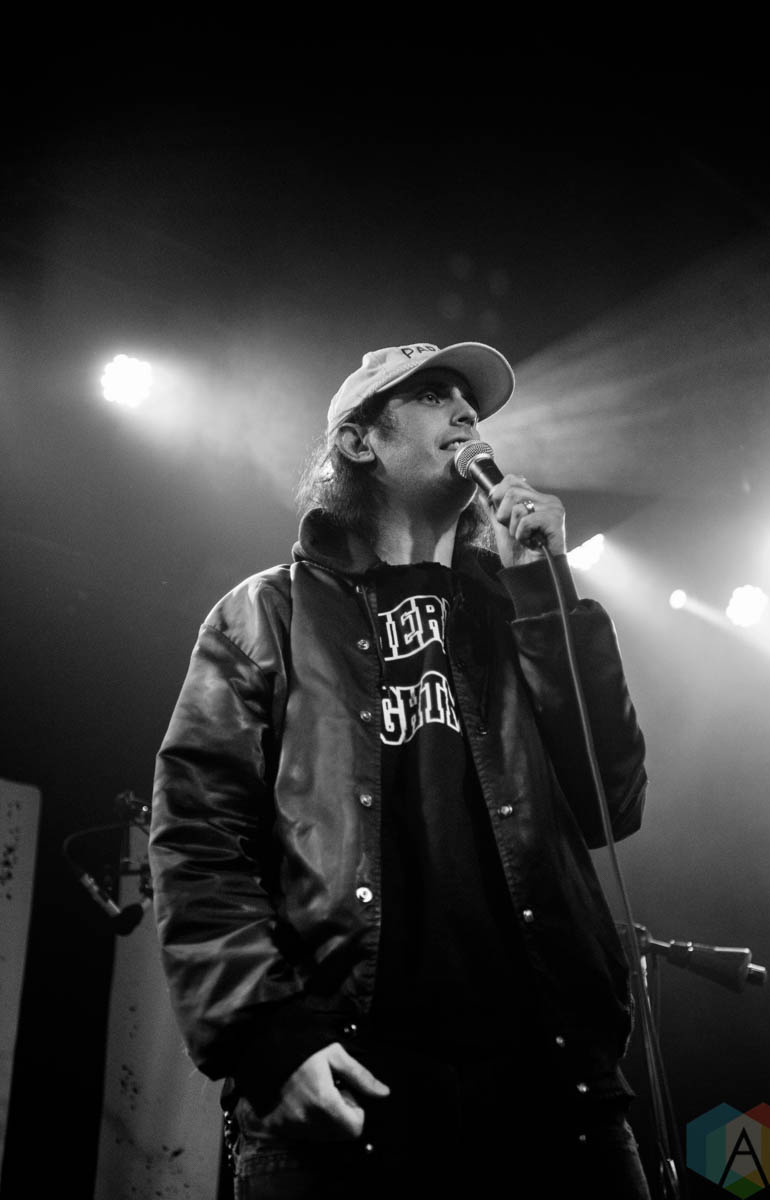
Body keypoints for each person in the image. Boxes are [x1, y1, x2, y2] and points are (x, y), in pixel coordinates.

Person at [149, 340, 652, 1198]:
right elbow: (199, 837)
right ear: (358, 442)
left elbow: (612, 800)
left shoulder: (516, 610)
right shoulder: (268, 613)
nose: (464, 412)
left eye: (469, 401)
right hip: (352, 1081)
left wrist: (544, 592)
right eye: (431, 394)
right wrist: (266, 1037)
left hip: (549, 1088)